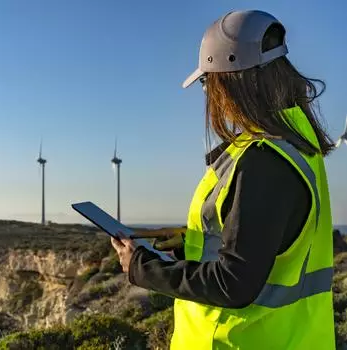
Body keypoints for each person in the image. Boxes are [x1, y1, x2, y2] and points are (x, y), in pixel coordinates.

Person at [110, 9, 336, 350]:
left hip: (239, 341)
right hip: (288, 337)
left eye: (206, 81)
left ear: (231, 80)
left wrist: (142, 268)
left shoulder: (265, 160)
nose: (208, 94)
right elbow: (268, 244)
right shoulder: (296, 147)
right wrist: (191, 241)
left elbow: (234, 283)